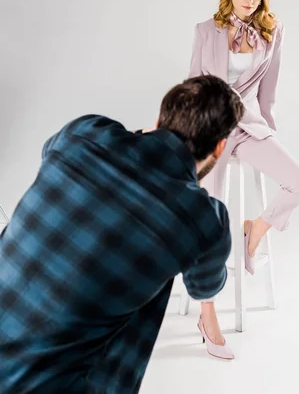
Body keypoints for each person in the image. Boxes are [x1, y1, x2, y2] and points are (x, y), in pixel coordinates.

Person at [0, 75, 244, 393]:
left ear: (159, 119)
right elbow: (204, 287)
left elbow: (49, 152)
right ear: (220, 147)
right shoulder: (204, 219)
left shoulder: (84, 131)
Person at [188, 0, 299, 358]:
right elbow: (193, 85)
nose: (249, 0)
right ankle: (207, 315)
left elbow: (267, 93)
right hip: (211, 129)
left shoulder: (271, 33)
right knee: (210, 217)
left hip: (249, 126)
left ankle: (254, 230)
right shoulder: (205, 31)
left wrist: (268, 134)